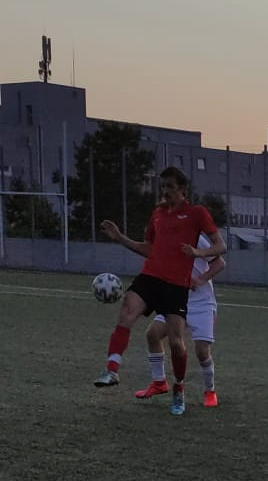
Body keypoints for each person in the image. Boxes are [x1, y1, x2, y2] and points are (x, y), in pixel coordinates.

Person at [94, 167, 226, 417]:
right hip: (152, 277)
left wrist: (198, 256)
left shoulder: (197, 215)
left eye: (170, 187)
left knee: (181, 345)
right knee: (130, 315)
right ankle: (113, 369)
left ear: (183, 189)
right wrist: (121, 238)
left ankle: (183, 388)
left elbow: (221, 249)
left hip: (180, 288)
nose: (165, 192)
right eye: (162, 187)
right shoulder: (157, 214)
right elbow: (149, 249)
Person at [137, 233, 226, 408]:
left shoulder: (194, 236)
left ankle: (210, 391)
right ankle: (159, 382)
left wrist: (200, 279)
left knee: (202, 351)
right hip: (176, 301)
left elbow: (219, 263)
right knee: (153, 334)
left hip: (201, 304)